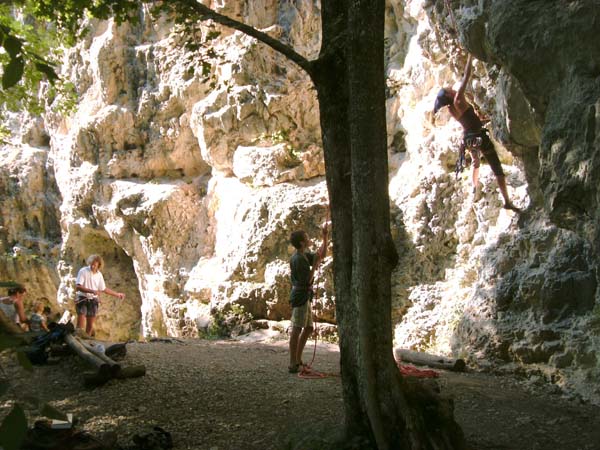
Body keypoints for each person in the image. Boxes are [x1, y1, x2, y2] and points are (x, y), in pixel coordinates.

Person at [433, 54, 519, 212]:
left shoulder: (452, 109)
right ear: (449, 95)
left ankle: (474, 186)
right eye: (447, 89)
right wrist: (469, 56)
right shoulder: (458, 98)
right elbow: (467, 75)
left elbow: (468, 119)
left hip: (468, 138)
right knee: (497, 168)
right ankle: (507, 200)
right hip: (478, 137)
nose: (450, 87)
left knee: (476, 162)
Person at [288, 223, 328, 374]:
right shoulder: (298, 259)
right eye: (306, 238)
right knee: (297, 328)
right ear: (301, 242)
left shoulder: (304, 255)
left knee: (309, 327)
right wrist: (315, 267)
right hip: (300, 296)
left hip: (304, 296)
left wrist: (325, 237)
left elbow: (321, 255)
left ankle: (297, 360)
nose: (309, 239)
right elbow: (307, 281)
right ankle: (293, 363)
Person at [75, 254, 125, 337]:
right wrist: (92, 291)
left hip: (93, 300)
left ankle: (87, 341)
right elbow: (78, 287)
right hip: (82, 298)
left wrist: (117, 294)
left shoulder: (99, 275)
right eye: (91, 264)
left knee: (90, 325)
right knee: (80, 323)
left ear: (99, 266)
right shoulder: (83, 271)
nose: (92, 266)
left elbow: (104, 289)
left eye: (95, 265)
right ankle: (77, 339)